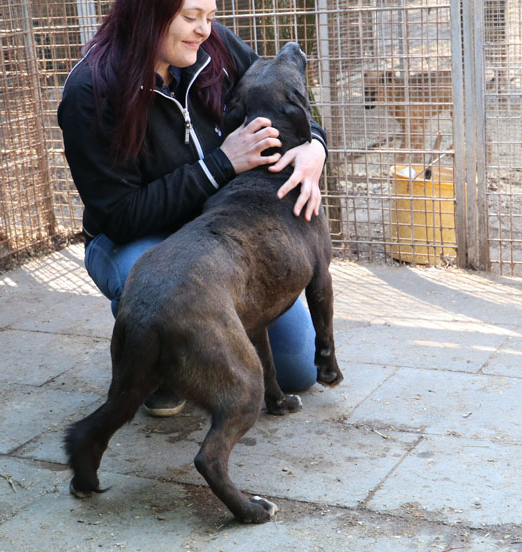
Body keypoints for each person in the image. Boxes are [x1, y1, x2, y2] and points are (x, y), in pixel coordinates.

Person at [58, 0, 329, 417]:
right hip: (137, 240)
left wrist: (315, 147)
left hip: (221, 240)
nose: (204, 29)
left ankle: (195, 335)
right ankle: (151, 350)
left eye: (210, 16)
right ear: (147, 12)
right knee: (147, 277)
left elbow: (279, 92)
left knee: (298, 370)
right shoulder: (91, 91)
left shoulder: (214, 46)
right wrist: (221, 164)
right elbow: (120, 216)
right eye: (190, 17)